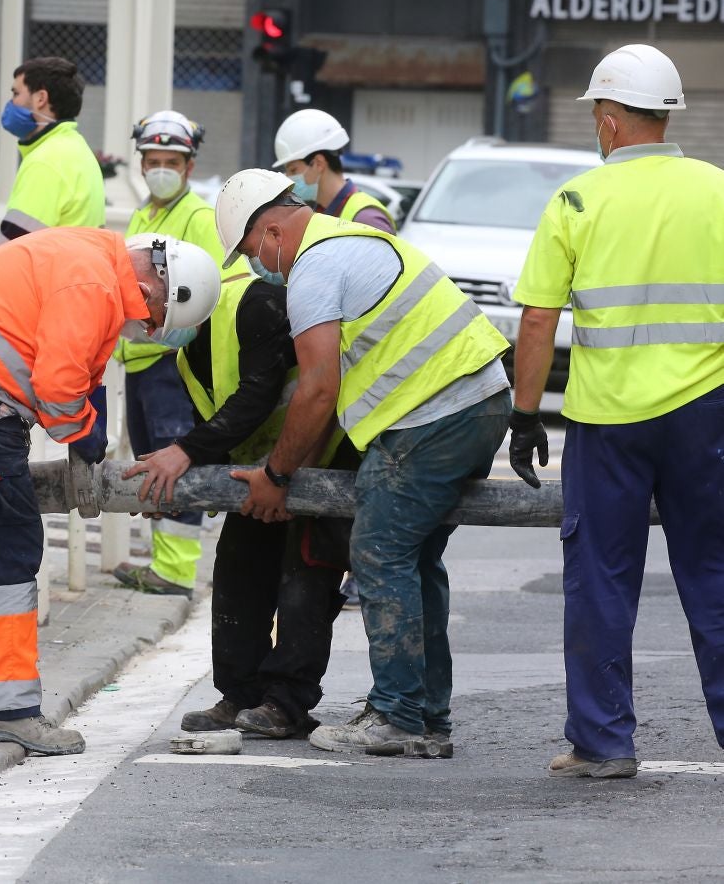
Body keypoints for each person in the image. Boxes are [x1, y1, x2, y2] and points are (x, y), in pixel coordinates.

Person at [215, 167, 512, 758]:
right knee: (417, 560)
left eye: (252, 250)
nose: (256, 264)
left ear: (272, 231)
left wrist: (275, 476)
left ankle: (399, 714)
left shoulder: (315, 269)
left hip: (435, 416)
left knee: (378, 551)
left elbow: (318, 388)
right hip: (478, 403)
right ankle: (426, 718)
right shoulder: (352, 240)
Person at [0, 228, 221, 755]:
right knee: (10, 551)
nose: (150, 329)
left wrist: (89, 426)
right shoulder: (94, 284)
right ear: (158, 286)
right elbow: (58, 385)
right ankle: (8, 710)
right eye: (157, 319)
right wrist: (84, 434)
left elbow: (78, 364)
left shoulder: (88, 259)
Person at [509, 44, 724, 779]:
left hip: (606, 423)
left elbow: (537, 320)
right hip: (705, 414)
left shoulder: (576, 200)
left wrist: (524, 415)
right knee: (715, 573)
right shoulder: (716, 189)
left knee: (600, 579)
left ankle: (603, 744)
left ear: (606, 119)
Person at [124, 208, 358, 737]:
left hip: (315, 465)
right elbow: (221, 420)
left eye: (152, 308)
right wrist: (184, 478)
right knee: (237, 575)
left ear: (179, 294)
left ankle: (287, 703)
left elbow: (255, 397)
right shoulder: (188, 349)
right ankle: (240, 693)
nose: (147, 323)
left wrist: (183, 453)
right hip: (257, 472)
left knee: (304, 585)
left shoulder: (256, 304)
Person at [111, 110, 238, 598]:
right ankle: (162, 563)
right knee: (151, 461)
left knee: (172, 460)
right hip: (141, 359)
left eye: (172, 161)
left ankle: (178, 571)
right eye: (153, 160)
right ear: (141, 164)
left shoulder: (197, 217)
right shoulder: (146, 216)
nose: (161, 168)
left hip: (170, 362)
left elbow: (211, 289)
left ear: (188, 167)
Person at [0, 57, 105, 258]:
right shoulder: (76, 148)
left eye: (16, 93)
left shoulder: (47, 160)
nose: (12, 102)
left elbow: (12, 247)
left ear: (40, 99)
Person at [271, 108, 396, 234]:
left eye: (293, 170)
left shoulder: (367, 219)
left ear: (318, 163)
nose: (289, 178)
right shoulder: (317, 215)